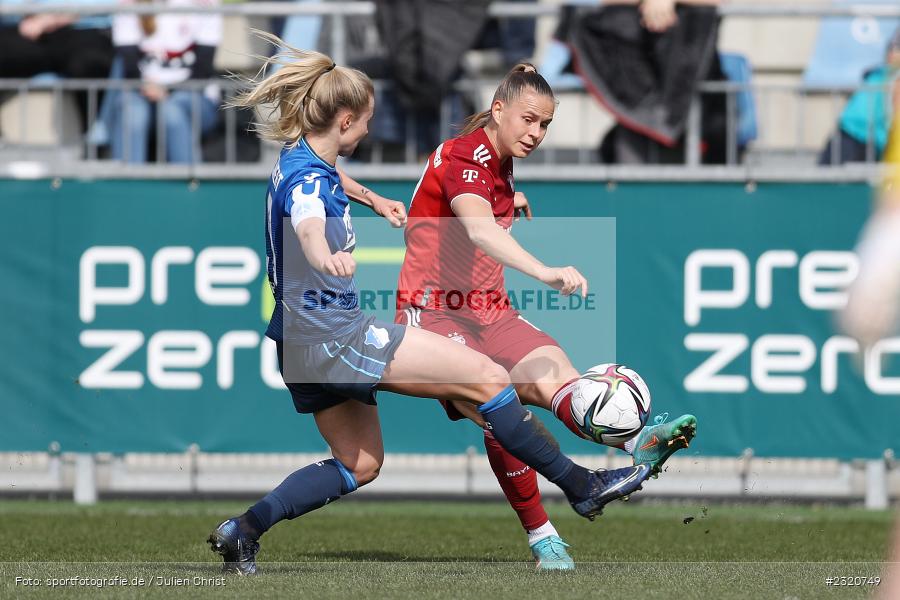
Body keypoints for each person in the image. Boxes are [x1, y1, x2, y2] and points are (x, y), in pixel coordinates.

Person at [207, 37, 652, 576]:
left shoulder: (300, 158)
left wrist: (371, 198)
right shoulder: (307, 184)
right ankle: (583, 486)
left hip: (298, 341)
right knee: (490, 382)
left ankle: (244, 530)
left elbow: (322, 177)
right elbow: (305, 217)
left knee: (360, 463)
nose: (370, 130)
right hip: (337, 334)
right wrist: (323, 254)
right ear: (345, 121)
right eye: (367, 121)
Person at [390, 64, 698, 569]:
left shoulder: (498, 162)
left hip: (489, 310)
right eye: (528, 120)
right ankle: (544, 534)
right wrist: (546, 272)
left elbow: (480, 205)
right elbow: (478, 231)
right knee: (502, 412)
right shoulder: (465, 157)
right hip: (435, 316)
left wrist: (510, 197)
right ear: (498, 110)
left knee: (565, 383)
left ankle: (638, 443)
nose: (535, 133)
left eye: (545, 125)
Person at [108, 0, 222, 164]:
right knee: (132, 112)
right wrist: (148, 87)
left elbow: (202, 70)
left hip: (194, 97)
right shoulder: (129, 3)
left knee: (172, 110)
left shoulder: (204, 3)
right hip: (142, 94)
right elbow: (130, 67)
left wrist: (167, 91)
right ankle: (128, 186)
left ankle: (186, 184)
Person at [819, 29, 900, 166]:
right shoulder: (883, 75)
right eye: (892, 49)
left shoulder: (887, 76)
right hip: (853, 134)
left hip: (869, 139)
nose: (893, 53)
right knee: (829, 182)